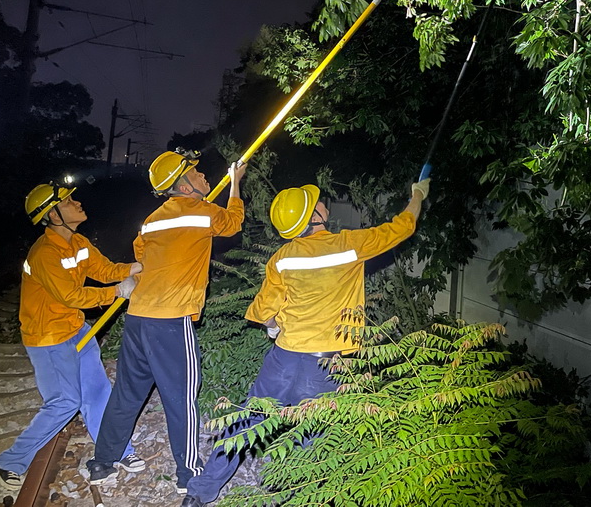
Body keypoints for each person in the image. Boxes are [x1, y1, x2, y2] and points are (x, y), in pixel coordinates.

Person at [180, 177, 430, 506]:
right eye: (319, 202)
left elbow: (261, 312)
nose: (324, 203)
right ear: (314, 216)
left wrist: (274, 327)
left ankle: (199, 494)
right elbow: (403, 226)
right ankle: (295, 497)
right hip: (327, 367)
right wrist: (417, 196)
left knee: (245, 423)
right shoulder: (349, 244)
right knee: (313, 441)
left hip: (282, 359)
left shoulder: (282, 257)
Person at [87, 150, 246, 494]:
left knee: (127, 392)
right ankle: (188, 473)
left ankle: (102, 461)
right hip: (171, 320)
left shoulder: (152, 219)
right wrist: (235, 184)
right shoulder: (201, 212)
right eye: (198, 173)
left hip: (139, 317)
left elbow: (141, 254)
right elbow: (232, 223)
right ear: (185, 185)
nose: (204, 177)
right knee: (182, 397)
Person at [0, 182, 144, 490]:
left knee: (98, 393)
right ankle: (9, 462)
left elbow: (104, 270)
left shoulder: (77, 243)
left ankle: (116, 452)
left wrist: (138, 268)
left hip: (76, 331)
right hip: (48, 338)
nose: (77, 203)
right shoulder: (44, 253)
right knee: (64, 401)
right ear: (52, 214)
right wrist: (117, 292)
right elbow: (70, 295)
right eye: (68, 201)